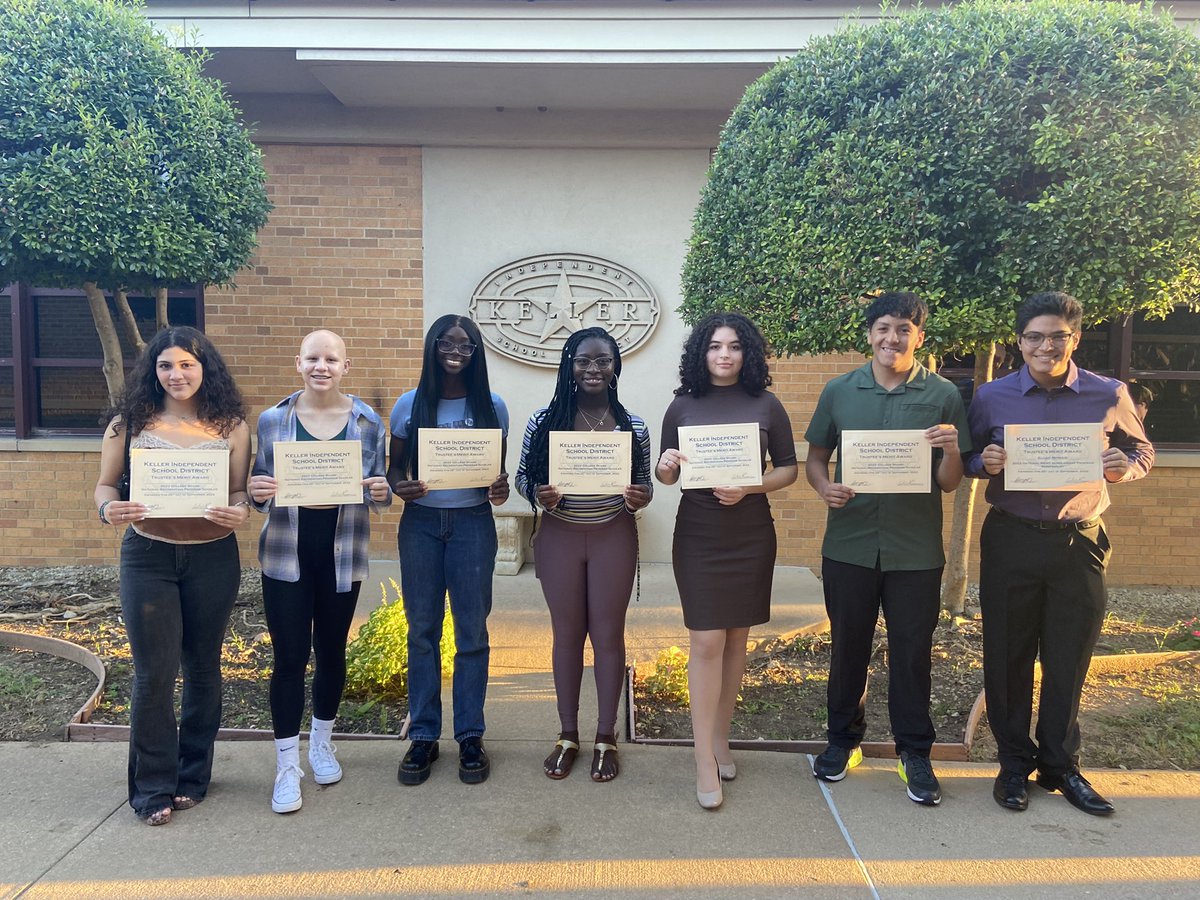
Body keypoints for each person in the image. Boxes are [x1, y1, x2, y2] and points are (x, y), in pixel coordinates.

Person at [965, 291, 1153, 817]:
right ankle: (1011, 764)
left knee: (1069, 655)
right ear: (1019, 341)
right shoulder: (991, 396)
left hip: (1080, 540)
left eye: (1057, 337)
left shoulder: (1108, 393)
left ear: (1074, 338)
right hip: (1012, 537)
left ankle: (1060, 765)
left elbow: (1143, 451)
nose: (1045, 346)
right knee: (1008, 654)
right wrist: (987, 461)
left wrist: (1124, 465)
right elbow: (968, 456)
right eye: (1034, 337)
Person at [804, 292, 970, 806]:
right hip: (850, 546)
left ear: (919, 337)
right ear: (869, 334)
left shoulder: (943, 394)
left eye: (903, 329)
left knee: (911, 654)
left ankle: (914, 752)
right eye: (882, 328)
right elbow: (816, 457)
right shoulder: (839, 390)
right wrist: (823, 488)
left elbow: (949, 482)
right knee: (847, 647)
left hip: (914, 552)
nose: (891, 338)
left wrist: (948, 450)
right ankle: (841, 742)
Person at [93, 326, 252, 826]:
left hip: (212, 556)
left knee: (203, 668)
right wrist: (108, 509)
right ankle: (152, 784)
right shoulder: (129, 424)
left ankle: (193, 775)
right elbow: (102, 485)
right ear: (153, 371)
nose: (176, 374)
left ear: (205, 370)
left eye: (186, 364)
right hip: (148, 555)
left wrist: (241, 510)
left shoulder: (231, 425)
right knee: (154, 673)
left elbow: (239, 492)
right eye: (166, 365)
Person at [656, 312, 798, 810]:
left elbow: (788, 470)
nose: (724, 355)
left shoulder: (767, 404)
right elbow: (665, 475)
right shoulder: (681, 405)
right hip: (698, 534)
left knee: (737, 637)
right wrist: (665, 465)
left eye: (734, 346)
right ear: (702, 353)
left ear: (748, 354)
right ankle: (702, 761)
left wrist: (751, 486)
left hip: (750, 533)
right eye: (715, 346)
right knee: (706, 638)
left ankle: (721, 738)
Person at [248, 330, 392, 814]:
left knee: (331, 651)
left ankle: (321, 743)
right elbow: (256, 488)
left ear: (345, 366)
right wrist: (257, 491)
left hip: (341, 551)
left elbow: (381, 487)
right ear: (299, 363)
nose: (321, 367)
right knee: (289, 659)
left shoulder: (369, 421)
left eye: (331, 359)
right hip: (286, 552)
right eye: (313, 358)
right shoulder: (273, 420)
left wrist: (379, 490)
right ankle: (287, 764)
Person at [515, 327, 653, 783]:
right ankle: (568, 734)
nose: (593, 369)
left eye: (603, 360)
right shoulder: (545, 420)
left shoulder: (633, 426)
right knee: (567, 635)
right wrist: (539, 493)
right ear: (568, 365)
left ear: (616, 366)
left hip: (613, 535)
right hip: (560, 537)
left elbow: (644, 483)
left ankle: (606, 737)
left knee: (609, 636)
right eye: (583, 360)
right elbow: (522, 479)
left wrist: (640, 496)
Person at [386, 315, 510, 786]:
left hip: (473, 524)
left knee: (472, 632)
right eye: (448, 342)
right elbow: (394, 468)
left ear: (476, 353)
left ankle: (470, 735)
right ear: (432, 347)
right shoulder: (409, 404)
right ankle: (423, 735)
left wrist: (498, 491)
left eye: (467, 345)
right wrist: (403, 488)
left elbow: (496, 475)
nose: (457, 351)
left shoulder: (492, 406)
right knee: (422, 629)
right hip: (420, 524)